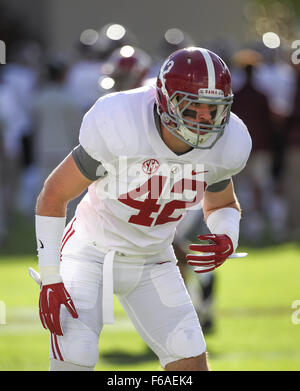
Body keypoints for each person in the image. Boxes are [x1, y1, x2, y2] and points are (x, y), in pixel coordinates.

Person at [29, 47, 252, 371]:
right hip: (91, 253)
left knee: (189, 359)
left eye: (214, 109)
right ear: (167, 102)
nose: (206, 120)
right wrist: (50, 275)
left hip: (154, 260)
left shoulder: (229, 143)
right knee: (76, 353)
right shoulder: (121, 121)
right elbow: (54, 194)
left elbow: (222, 203)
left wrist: (227, 235)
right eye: (193, 108)